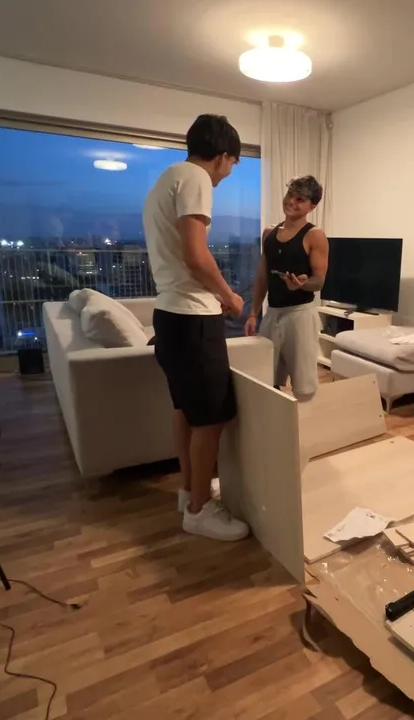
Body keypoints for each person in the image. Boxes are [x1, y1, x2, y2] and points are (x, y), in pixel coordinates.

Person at [143, 114, 248, 541]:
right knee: (211, 419)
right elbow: (195, 255)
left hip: (170, 316)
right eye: (232, 163)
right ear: (222, 156)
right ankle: (201, 511)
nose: (228, 173)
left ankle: (190, 492)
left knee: (186, 411)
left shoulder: (166, 179)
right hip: (192, 319)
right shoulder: (196, 178)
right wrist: (229, 295)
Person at [244, 175, 329, 401]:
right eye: (290, 194)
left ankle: (305, 421)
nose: (291, 201)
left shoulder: (315, 235)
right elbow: (262, 276)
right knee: (265, 377)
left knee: (303, 384)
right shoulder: (269, 233)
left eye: (300, 199)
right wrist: (253, 313)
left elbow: (319, 281)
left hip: (300, 316)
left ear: (312, 206)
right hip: (272, 313)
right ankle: (275, 422)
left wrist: (301, 284)